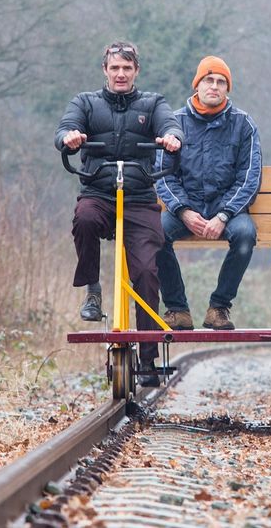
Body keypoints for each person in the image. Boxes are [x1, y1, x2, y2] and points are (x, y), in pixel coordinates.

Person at [55, 41, 183, 386]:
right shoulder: (85, 102)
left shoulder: (152, 103)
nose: (121, 74)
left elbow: (170, 125)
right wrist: (70, 137)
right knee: (83, 219)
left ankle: (149, 356)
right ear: (105, 71)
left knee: (145, 270)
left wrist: (171, 138)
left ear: (136, 71)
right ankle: (93, 290)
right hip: (99, 191)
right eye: (115, 68)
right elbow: (64, 128)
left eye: (127, 68)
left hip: (139, 196)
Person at [155, 56, 262, 330]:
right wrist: (183, 211)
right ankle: (178, 310)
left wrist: (224, 214)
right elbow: (163, 176)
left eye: (220, 82)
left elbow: (249, 176)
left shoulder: (243, 124)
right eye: (208, 80)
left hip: (229, 210)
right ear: (197, 85)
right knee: (154, 235)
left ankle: (219, 308)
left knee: (245, 235)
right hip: (185, 208)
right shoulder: (174, 123)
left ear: (227, 88)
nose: (214, 86)